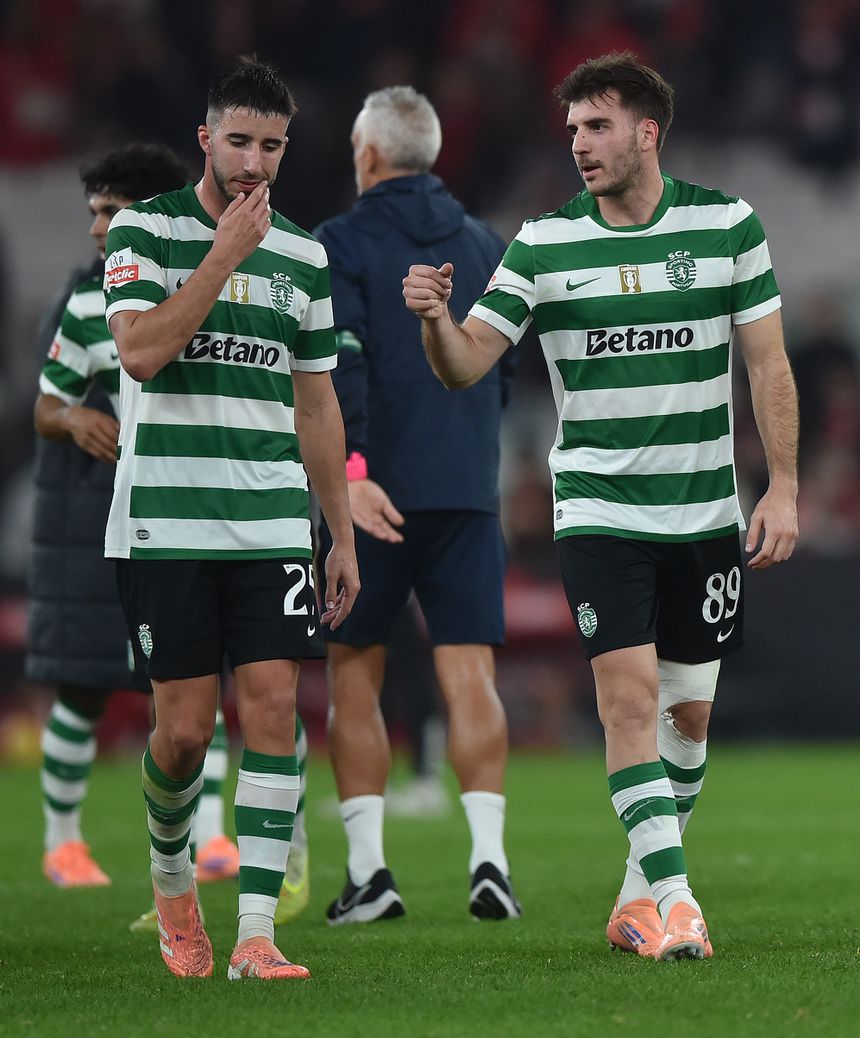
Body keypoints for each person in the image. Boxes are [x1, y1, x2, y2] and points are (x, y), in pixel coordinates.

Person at [403, 52, 798, 960]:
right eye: (573, 127)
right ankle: (680, 903)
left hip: (704, 514)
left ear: (648, 131)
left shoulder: (727, 224)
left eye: (598, 126)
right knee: (627, 706)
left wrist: (783, 484)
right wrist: (433, 318)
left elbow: (769, 363)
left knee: (687, 718)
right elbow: (466, 363)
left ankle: (634, 897)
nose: (579, 142)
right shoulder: (543, 245)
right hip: (599, 512)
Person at [103, 56, 359, 980]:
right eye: (240, 141)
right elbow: (139, 355)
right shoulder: (145, 229)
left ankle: (256, 933)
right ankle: (174, 881)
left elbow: (318, 404)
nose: (255, 162)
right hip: (165, 521)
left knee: (277, 712)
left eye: (273, 146)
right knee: (182, 731)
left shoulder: (305, 253)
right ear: (205, 140)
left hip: (270, 522)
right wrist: (221, 258)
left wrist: (339, 530)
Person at [314, 86, 520, 924]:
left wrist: (352, 471)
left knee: (354, 676)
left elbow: (340, 366)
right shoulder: (485, 243)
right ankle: (490, 860)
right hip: (468, 488)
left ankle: (370, 875)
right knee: (470, 673)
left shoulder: (339, 241)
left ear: (367, 154)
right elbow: (499, 373)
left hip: (370, 495)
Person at [30, 143, 243, 896]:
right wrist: (74, 424)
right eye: (93, 211)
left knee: (193, 683)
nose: (96, 228)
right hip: (106, 515)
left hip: (188, 507)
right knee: (87, 686)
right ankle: (63, 843)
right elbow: (47, 400)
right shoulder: (89, 299)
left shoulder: (214, 284)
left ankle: (214, 836)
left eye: (111, 211)